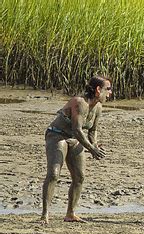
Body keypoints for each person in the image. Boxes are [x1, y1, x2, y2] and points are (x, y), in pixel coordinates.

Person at [40, 75, 111, 224]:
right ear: (98, 90)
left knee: (79, 177)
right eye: (108, 89)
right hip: (57, 135)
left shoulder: (98, 107)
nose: (110, 93)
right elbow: (78, 130)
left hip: (74, 139)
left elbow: (92, 130)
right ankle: (45, 214)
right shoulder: (80, 103)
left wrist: (95, 145)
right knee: (54, 174)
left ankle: (70, 213)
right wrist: (91, 149)